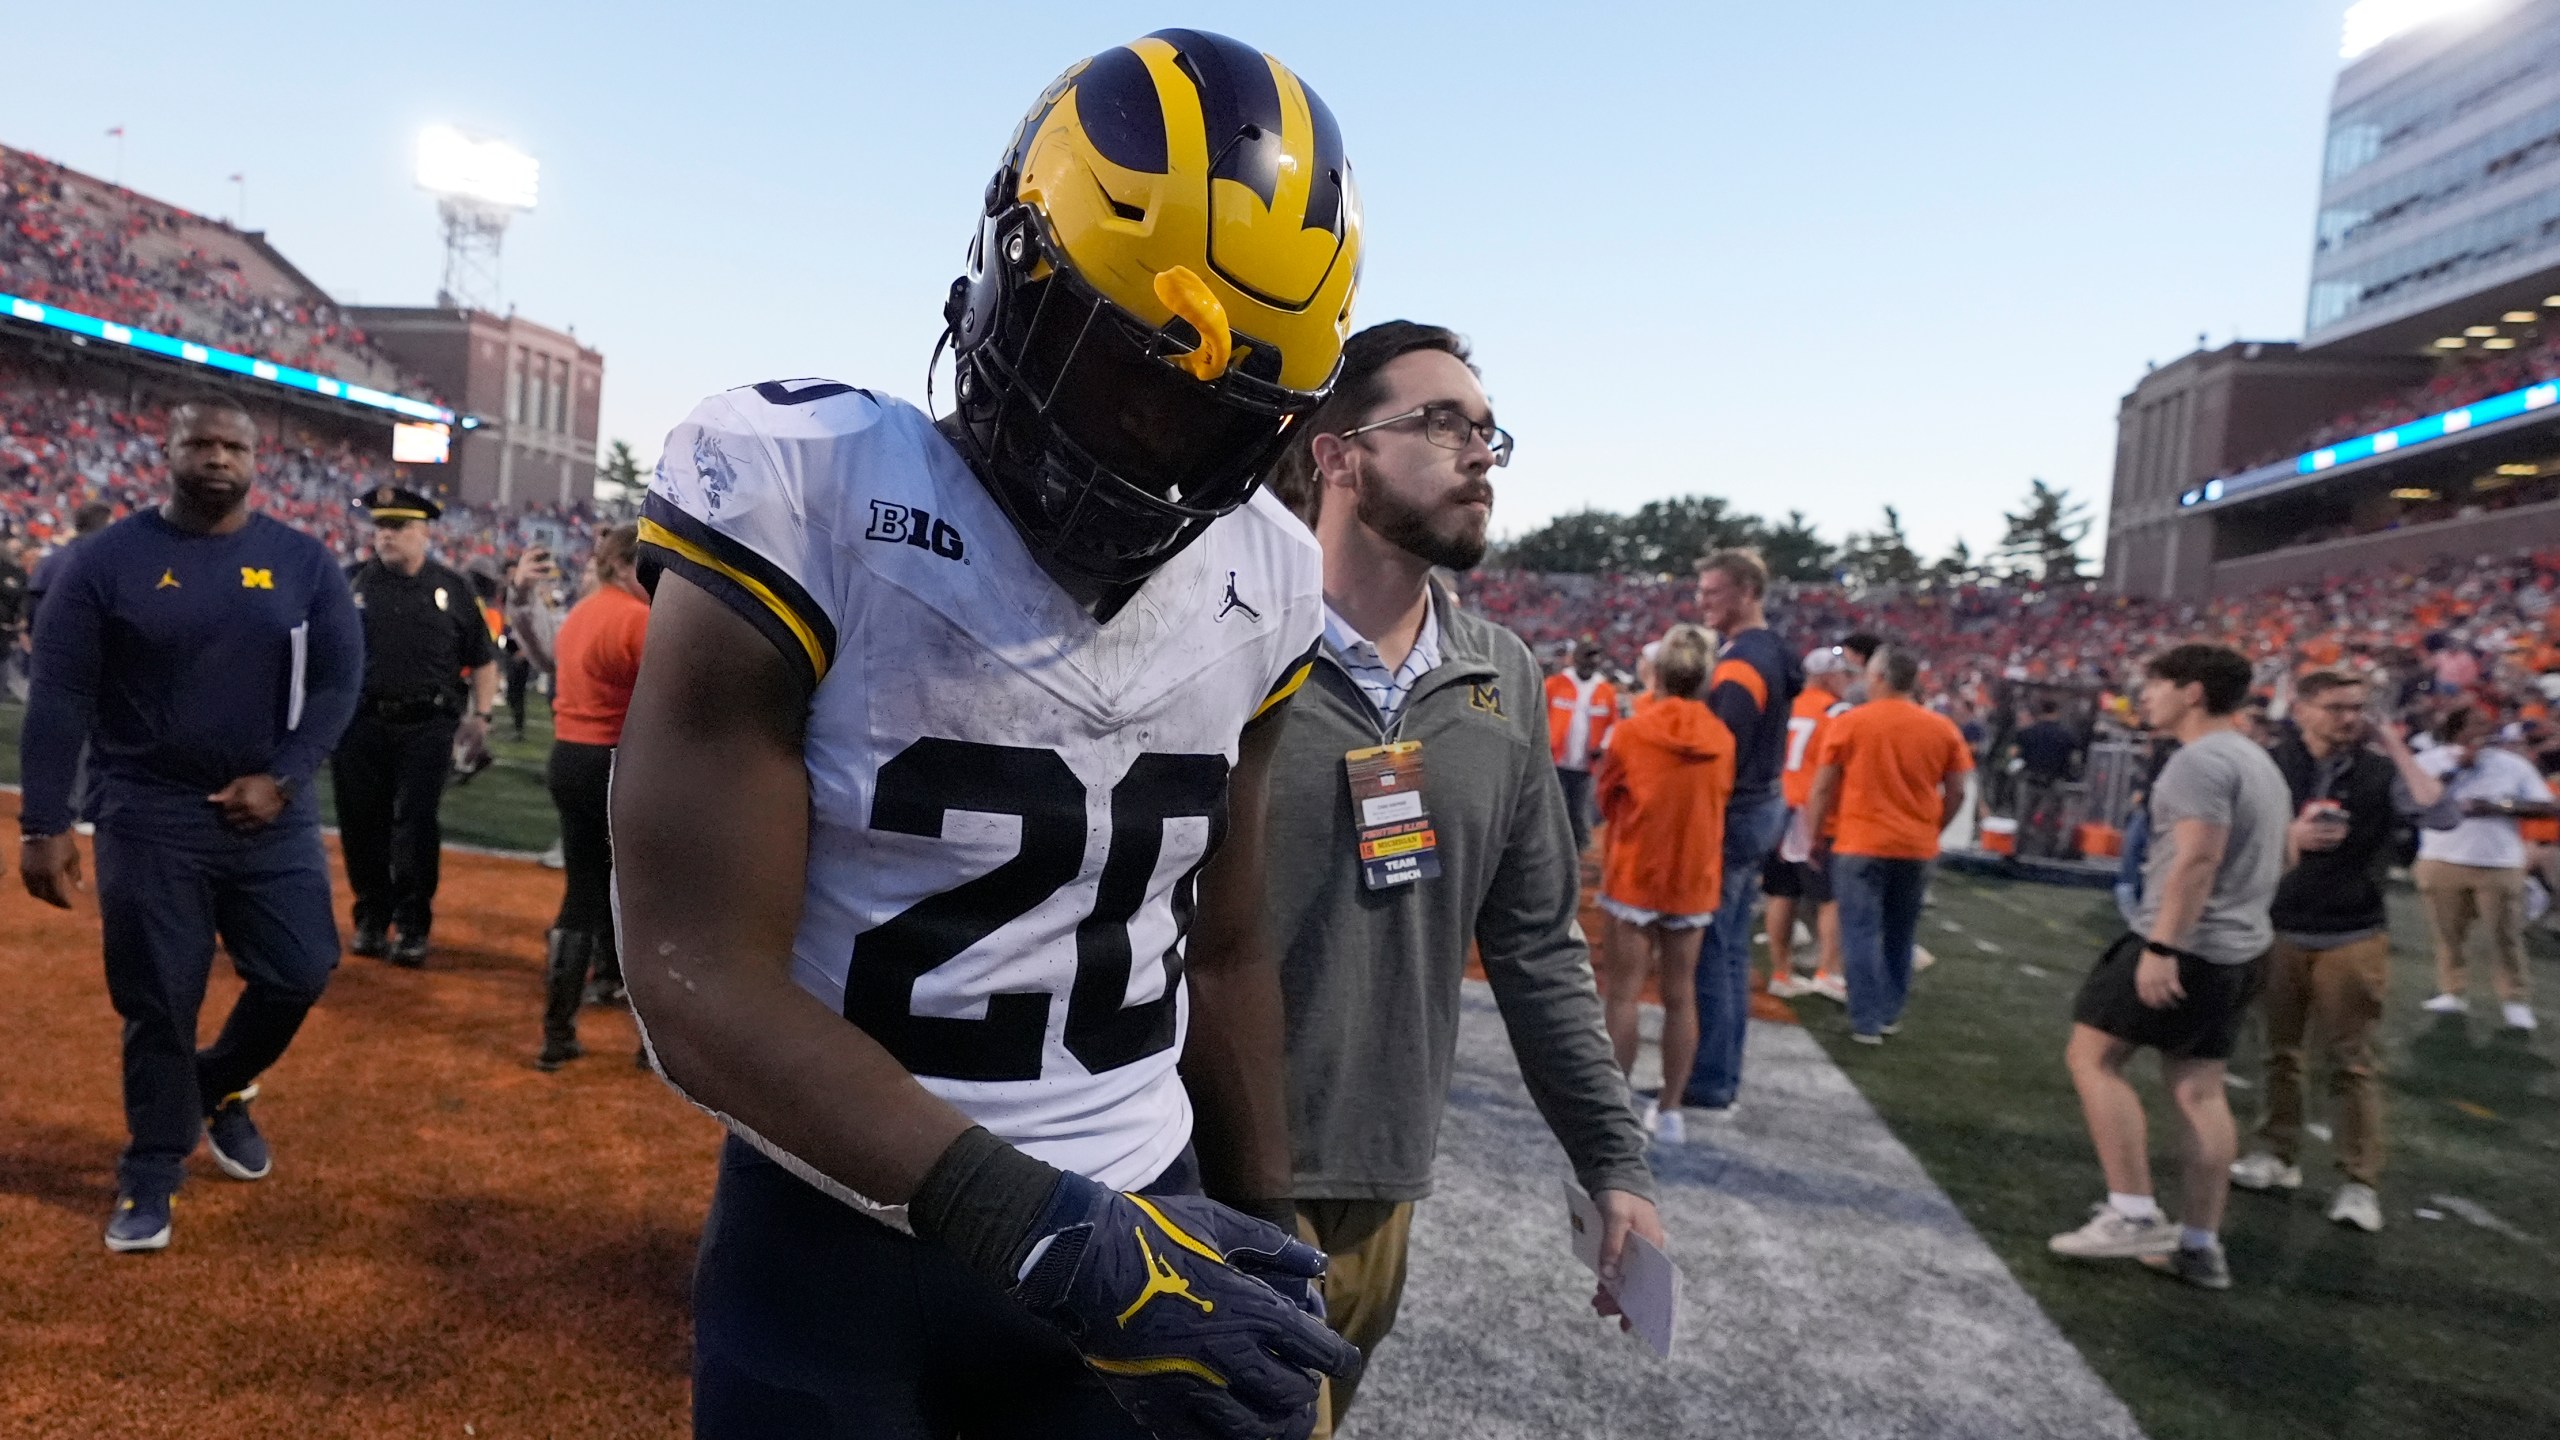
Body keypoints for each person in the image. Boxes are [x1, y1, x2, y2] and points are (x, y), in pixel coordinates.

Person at [608, 31, 1364, 1439]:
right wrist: (1041, 1229)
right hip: (847, 1231)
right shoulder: (807, 488)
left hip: (1153, 1211)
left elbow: (1226, 937)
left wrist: (1269, 1220)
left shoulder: (1269, 573)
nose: (1158, 446)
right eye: (1131, 376)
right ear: (1020, 273)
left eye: (1220, 418)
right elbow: (692, 970)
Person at [1261, 319, 1661, 1437]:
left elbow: (1535, 942)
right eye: (1439, 425)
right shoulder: (1225, 632)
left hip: (1383, 1176)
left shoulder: (1505, 676)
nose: (1479, 453)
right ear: (1335, 454)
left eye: (1488, 433)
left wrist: (1610, 1159)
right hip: (1206, 1159)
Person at [16, 391, 362, 1253]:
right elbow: (59, 695)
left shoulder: (304, 562)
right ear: (166, 451)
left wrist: (283, 780)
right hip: (145, 809)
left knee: (301, 970)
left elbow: (335, 686)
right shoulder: (102, 563)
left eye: (233, 447)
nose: (218, 459)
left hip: (270, 812)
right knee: (159, 999)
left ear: (256, 461)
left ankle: (214, 1086)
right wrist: (44, 819)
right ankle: (150, 1169)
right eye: (200, 443)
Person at [2048, 643, 2290, 1291]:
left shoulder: (2200, 761)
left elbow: (2198, 859)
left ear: (2191, 691)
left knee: (2092, 1057)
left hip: (2187, 942)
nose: (2143, 698)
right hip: (2240, 945)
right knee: (2199, 1090)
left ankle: (2131, 1211)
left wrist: (2163, 945)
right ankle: (2200, 1245)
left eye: (2153, 686)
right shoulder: (2255, 758)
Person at [2229, 669, 2443, 1233]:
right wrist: (2289, 841)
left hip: (2351, 929)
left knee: (2350, 1061)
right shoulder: (2270, 762)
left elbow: (2440, 812)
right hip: (2277, 924)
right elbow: (2232, 837)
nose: (2349, 718)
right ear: (2301, 708)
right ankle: (2277, 1153)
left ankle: (2358, 1181)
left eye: (2357, 707)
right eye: (2336, 706)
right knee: (2278, 1052)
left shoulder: (2378, 769)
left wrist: (2393, 743)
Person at [334, 485, 499, 966]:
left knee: (415, 826)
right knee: (361, 824)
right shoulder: (350, 583)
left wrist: (483, 716)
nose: (387, 536)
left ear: (424, 532)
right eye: (382, 526)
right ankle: (369, 919)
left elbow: (482, 660)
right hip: (360, 722)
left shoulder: (453, 587)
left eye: (399, 527)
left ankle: (411, 926)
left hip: (428, 725)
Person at [1595, 623, 1734, 1147]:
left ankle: (1615, 1105)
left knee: (1623, 996)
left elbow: (1608, 800)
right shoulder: (1722, 737)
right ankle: (1671, 1109)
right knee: (1681, 997)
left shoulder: (1633, 731)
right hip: (1692, 879)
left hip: (1636, 872)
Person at [1800, 645, 1972, 1043]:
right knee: (1900, 931)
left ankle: (1865, 1019)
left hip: (1860, 840)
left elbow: (1823, 786)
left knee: (1858, 931)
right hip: (1914, 844)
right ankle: (1889, 1012)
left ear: (1878, 678)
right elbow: (1958, 791)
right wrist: (1934, 826)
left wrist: (1813, 835)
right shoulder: (1941, 727)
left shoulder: (1851, 723)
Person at [1683, 548, 1804, 1114]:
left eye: (1713, 592)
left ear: (1747, 592)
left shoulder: (1738, 666)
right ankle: (1721, 1074)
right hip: (1763, 803)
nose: (1702, 602)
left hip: (1736, 811)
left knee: (1712, 949)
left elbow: (1717, 753)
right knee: (1730, 950)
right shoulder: (1767, 651)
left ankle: (1708, 1077)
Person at [536, 523, 648, 1070]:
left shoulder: (583, 612)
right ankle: (651, 1045)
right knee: (640, 901)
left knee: (581, 893)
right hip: (615, 763)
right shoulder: (637, 620)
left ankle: (556, 1033)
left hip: (569, 756)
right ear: (629, 564)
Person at [2413, 705, 2555, 1031]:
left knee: (2505, 935)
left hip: (2498, 861)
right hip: (2442, 857)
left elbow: (2545, 806)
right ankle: (2452, 991)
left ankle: (2515, 1000)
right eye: (2476, 724)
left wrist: (2497, 806)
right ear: (2456, 727)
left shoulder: (2513, 765)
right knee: (2448, 933)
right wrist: (2456, 770)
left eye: (2488, 725)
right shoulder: (2430, 761)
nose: (2485, 730)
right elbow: (2419, 799)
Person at [1766, 644, 1855, 1001]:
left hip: (1779, 805)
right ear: (1827, 675)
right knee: (1831, 896)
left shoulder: (1788, 705)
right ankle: (1828, 971)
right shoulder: (1837, 712)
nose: (1847, 680)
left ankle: (1781, 972)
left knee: (1781, 892)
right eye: (1843, 673)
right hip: (1815, 811)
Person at [1544, 638, 1616, 854]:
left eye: (1595, 657)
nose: (1591, 662)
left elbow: (1613, 725)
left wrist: (1602, 746)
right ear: (1576, 659)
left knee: (1579, 811)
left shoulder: (1605, 690)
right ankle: (1554, 853)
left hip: (1585, 764)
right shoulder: (1555, 685)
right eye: (1587, 656)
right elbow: (1539, 715)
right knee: (1556, 810)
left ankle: (1579, 855)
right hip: (1555, 759)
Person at [503, 545, 562, 740]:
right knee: (512, 694)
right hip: (513, 647)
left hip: (526, 650)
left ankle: (519, 730)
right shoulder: (508, 593)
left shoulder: (548, 599)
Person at [2012, 698, 2079, 857]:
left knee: (2024, 818)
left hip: (2030, 780)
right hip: (2053, 783)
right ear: (2056, 712)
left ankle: (2019, 851)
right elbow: (2073, 761)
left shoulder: (2027, 733)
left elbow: (2017, 756)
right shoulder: (2066, 735)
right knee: (2049, 821)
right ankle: (2046, 854)